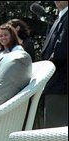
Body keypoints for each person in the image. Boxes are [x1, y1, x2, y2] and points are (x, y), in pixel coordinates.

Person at [40, 0, 68, 128]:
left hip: (61, 85)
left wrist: (45, 68)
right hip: (54, 83)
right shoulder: (60, 17)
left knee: (55, 133)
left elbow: (61, 50)